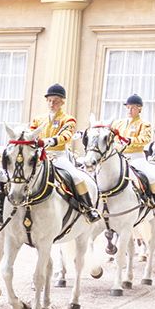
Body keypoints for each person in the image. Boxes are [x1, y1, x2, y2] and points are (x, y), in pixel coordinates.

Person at [32, 83, 96, 220]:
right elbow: (31, 133)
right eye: (49, 100)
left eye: (55, 101)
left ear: (61, 102)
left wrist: (49, 141)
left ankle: (88, 208)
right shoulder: (38, 119)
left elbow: (66, 136)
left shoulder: (68, 119)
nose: (51, 103)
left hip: (58, 156)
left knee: (77, 177)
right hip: (40, 156)